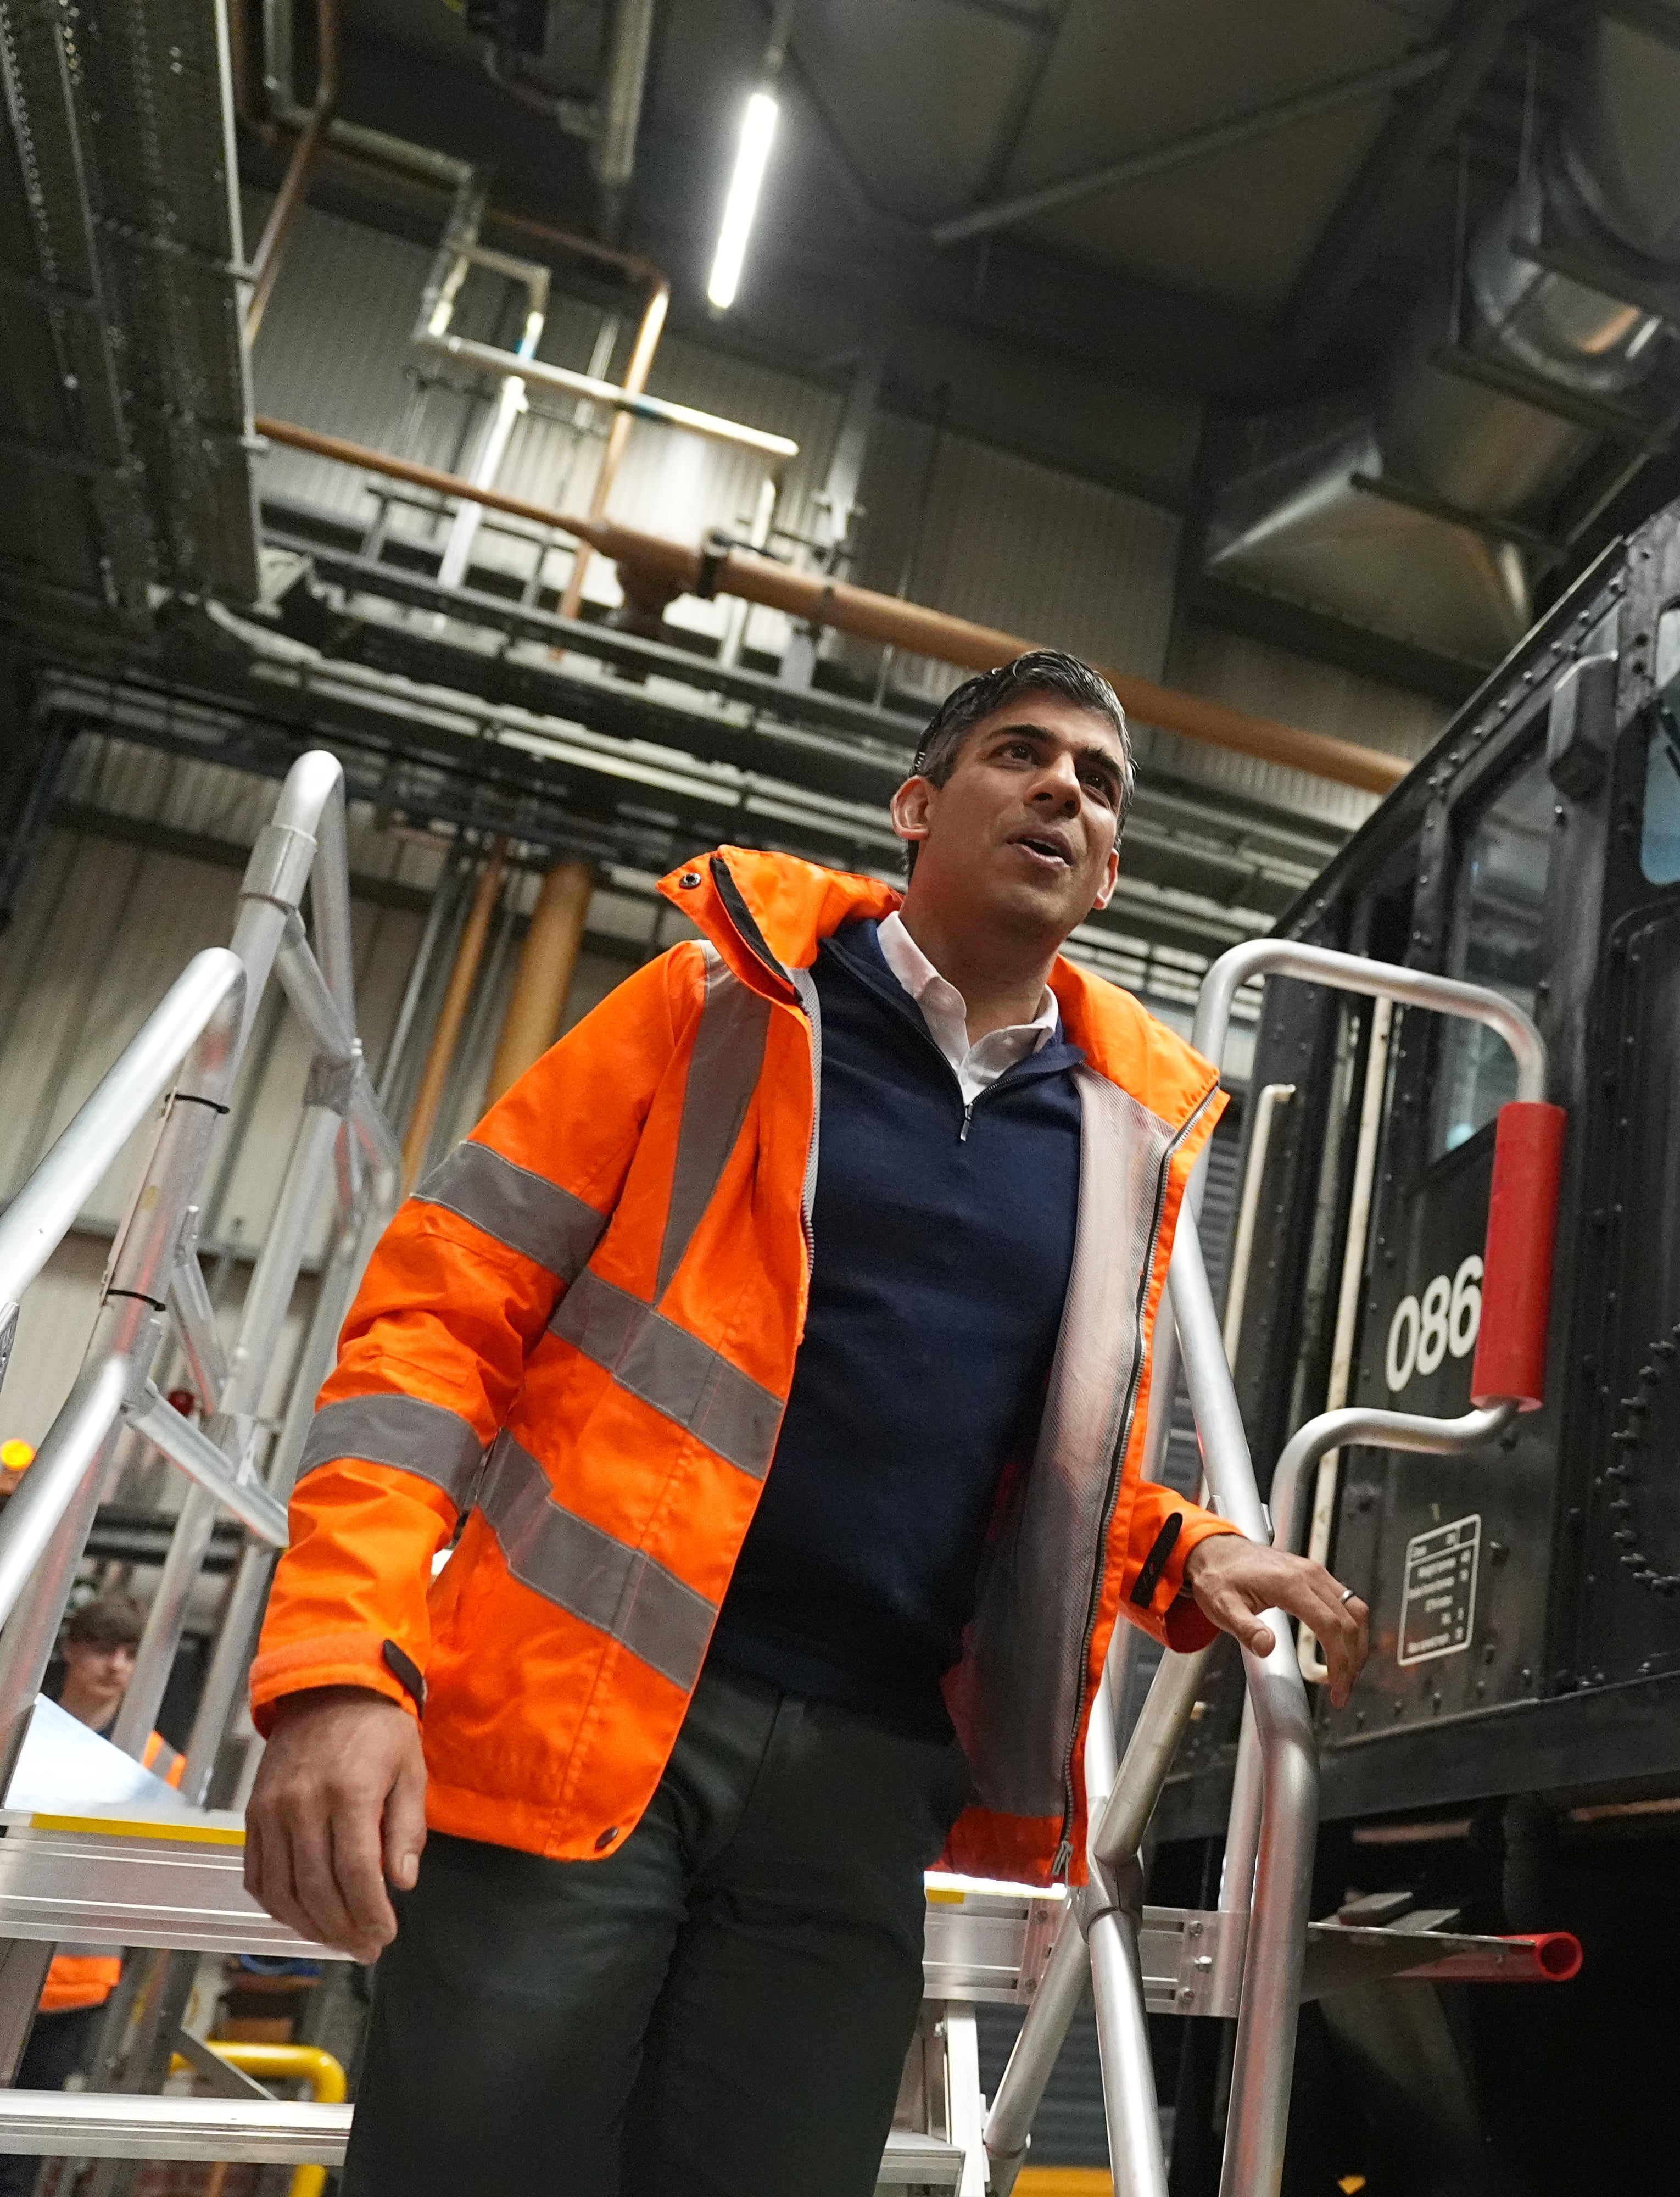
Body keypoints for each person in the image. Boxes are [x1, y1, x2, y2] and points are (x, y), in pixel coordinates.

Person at [239, 650, 1369, 2194]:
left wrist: (1185, 1553)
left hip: (863, 1785)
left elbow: (996, 1454)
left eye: (1099, 786)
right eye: (1020, 756)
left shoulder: (1121, 1143)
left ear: (1108, 877)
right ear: (916, 808)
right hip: (586, 1720)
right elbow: (436, 1319)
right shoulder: (721, 1005)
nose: (1065, 790)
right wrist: (337, 1669)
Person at [2, 1593, 187, 2197]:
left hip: (79, 1976)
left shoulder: (159, 1760)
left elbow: (160, 1875)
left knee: (20, 2143)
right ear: (72, 1649)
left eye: (130, 1653)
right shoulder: (16, 1726)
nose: (116, 1665)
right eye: (105, 1648)